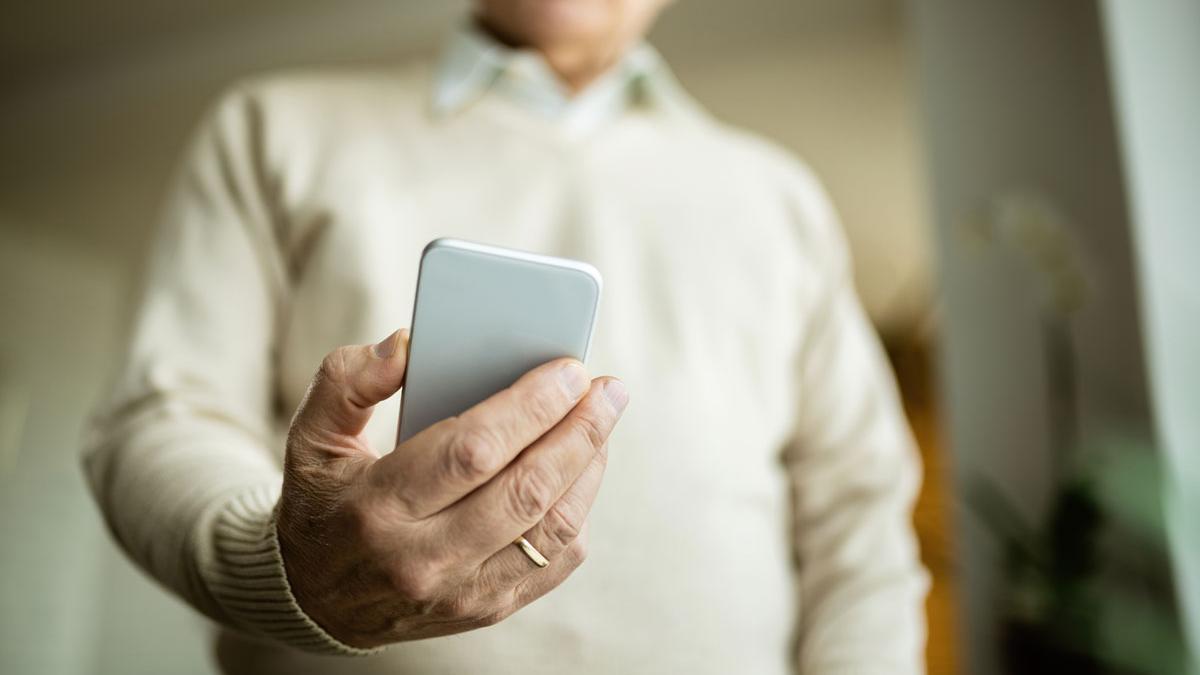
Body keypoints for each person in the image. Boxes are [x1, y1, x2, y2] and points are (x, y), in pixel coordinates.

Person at [83, 0, 929, 673]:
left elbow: (857, 513)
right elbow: (162, 417)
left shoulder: (779, 196)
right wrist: (287, 570)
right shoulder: (269, 129)